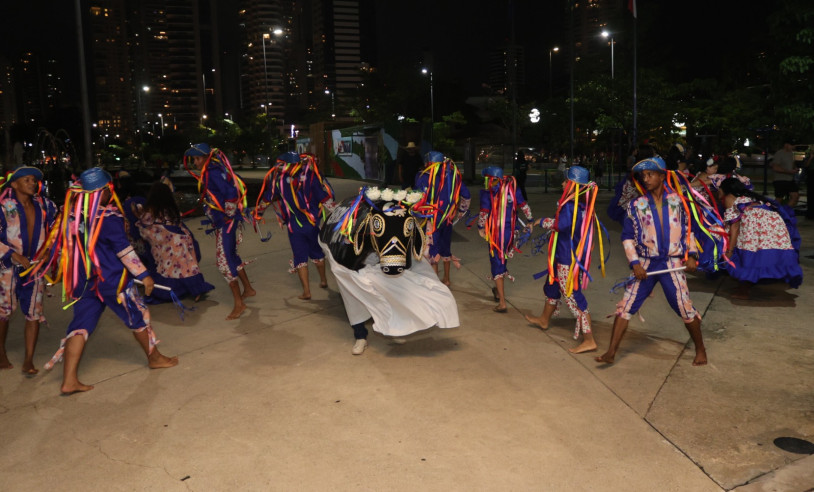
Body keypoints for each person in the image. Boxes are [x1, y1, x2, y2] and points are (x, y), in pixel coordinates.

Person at [28, 168, 178, 394]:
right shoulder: (109, 217)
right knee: (137, 317)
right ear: (105, 190)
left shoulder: (70, 216)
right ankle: (154, 358)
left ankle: (69, 380)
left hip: (83, 282)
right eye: (110, 189)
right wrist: (144, 275)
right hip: (112, 281)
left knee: (80, 325)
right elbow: (123, 249)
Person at [319, 186, 459, 355]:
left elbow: (405, 256)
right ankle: (360, 335)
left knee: (391, 291)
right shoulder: (356, 230)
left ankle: (393, 326)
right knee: (353, 295)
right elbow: (346, 259)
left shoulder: (399, 225)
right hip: (348, 260)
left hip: (377, 255)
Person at [595, 157, 707, 366]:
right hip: (645, 265)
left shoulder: (679, 202)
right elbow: (627, 237)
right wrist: (635, 264)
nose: (645, 179)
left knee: (684, 309)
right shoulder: (637, 205)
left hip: (672, 264)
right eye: (643, 176)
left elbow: (689, 230)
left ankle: (701, 349)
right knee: (625, 306)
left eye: (650, 175)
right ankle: (611, 352)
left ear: (662, 176)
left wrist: (692, 255)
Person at [525, 166, 605, 353]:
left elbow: (561, 225)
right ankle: (544, 320)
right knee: (552, 286)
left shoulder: (571, 206)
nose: (562, 184)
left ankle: (589, 339)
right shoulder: (581, 205)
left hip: (567, 259)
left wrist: (541, 221)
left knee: (572, 297)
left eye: (565, 181)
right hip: (564, 255)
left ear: (573, 185)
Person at [183, 143, 255, 319]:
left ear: (206, 158)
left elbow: (230, 192)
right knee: (232, 256)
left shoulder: (212, 172)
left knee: (224, 263)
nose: (195, 163)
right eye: (194, 159)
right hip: (226, 221)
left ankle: (239, 303)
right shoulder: (217, 169)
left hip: (225, 223)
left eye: (197, 159)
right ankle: (248, 289)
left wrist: (228, 214)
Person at [0, 167, 57, 375]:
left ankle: (29, 359)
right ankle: (1, 352)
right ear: (14, 184)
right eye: (27, 180)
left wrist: (49, 251)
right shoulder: (3, 207)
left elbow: (57, 230)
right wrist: (13, 255)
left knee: (34, 312)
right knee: (4, 311)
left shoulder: (45, 205)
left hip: (35, 268)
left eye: (34, 180)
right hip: (7, 267)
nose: (32, 183)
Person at [256, 152, 335, 300]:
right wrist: (338, 213)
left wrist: (258, 213)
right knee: (317, 252)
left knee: (300, 257)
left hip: (294, 227)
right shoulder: (311, 176)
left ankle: (307, 292)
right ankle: (323, 280)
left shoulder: (279, 181)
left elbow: (267, 198)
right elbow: (323, 198)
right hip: (312, 224)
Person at [720, 177, 802, 299]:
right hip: (773, 227)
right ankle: (744, 286)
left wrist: (730, 250)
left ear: (726, 190)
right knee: (758, 258)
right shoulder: (751, 196)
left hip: (756, 229)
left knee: (747, 258)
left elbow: (735, 226)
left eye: (720, 189)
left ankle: (744, 291)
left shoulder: (729, 198)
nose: (718, 191)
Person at [135, 181, 215, 303]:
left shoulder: (148, 213)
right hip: (181, 243)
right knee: (187, 267)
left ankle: (167, 291)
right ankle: (196, 289)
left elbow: (143, 229)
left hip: (164, 249)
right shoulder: (172, 210)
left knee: (165, 268)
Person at [478, 166, 534, 313]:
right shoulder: (512, 189)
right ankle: (497, 291)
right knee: (503, 261)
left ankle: (502, 302)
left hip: (496, 235)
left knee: (497, 263)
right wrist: (530, 220)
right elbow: (524, 206)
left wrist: (480, 227)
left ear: (491, 179)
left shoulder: (488, 193)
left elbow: (484, 213)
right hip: (511, 235)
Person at [412, 151, 471, 286]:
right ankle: (447, 279)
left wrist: (415, 212)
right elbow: (466, 195)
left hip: (431, 220)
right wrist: (461, 211)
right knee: (445, 247)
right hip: (447, 219)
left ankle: (435, 285)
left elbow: (417, 197)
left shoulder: (423, 176)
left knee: (431, 250)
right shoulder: (453, 175)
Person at [771, 141, 799, 206]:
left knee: (795, 196)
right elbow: (775, 167)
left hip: (790, 179)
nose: (793, 147)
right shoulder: (779, 153)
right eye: (791, 145)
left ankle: (786, 210)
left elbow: (792, 164)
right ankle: (772, 210)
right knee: (779, 198)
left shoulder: (792, 154)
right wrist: (789, 172)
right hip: (780, 180)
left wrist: (795, 168)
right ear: (786, 145)